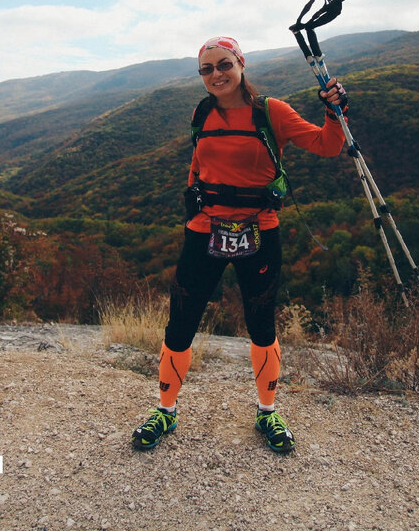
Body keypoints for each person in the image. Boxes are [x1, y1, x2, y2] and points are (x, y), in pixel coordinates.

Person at [131, 35, 349, 453]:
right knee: (180, 325)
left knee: (261, 326)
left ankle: (267, 412)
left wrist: (334, 111)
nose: (216, 75)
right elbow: (199, 166)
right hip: (204, 232)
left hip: (259, 230)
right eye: (207, 69)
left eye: (224, 65)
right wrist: (194, 206)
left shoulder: (272, 112)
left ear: (241, 63)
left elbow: (328, 145)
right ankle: (165, 411)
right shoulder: (201, 113)